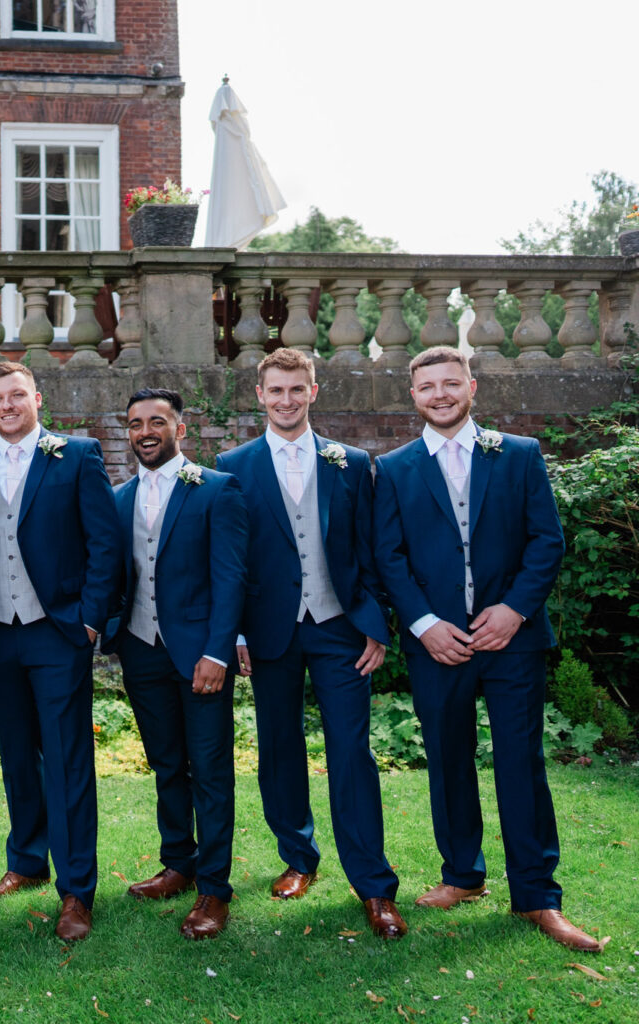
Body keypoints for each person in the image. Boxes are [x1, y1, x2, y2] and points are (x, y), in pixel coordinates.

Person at [373, 345, 599, 951]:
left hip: (513, 642)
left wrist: (515, 610)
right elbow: (387, 557)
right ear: (412, 394)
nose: (440, 395)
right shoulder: (392, 468)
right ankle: (462, 876)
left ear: (472, 386)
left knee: (520, 764)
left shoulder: (518, 454)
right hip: (437, 644)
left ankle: (537, 897)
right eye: (428, 387)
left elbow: (545, 542)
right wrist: (422, 623)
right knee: (447, 759)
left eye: (451, 383)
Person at [215, 348, 405, 939]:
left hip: (339, 627)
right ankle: (299, 858)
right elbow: (230, 560)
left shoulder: (350, 463)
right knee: (278, 746)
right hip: (269, 630)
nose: (287, 400)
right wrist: (237, 630)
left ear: (314, 392)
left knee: (351, 752)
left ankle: (373, 885)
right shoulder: (232, 465)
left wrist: (375, 622)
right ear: (260, 395)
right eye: (277, 391)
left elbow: (372, 551)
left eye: (298, 390)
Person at [0, 362, 120, 942]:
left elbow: (104, 541)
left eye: (16, 396)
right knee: (15, 751)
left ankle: (76, 889)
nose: (7, 406)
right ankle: (27, 860)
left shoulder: (76, 456)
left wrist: (89, 620)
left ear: (37, 398)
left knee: (67, 757)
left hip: (58, 630)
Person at [102, 388, 247, 940]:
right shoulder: (116, 498)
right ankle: (179, 864)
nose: (145, 431)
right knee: (165, 763)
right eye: (136, 422)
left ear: (179, 430)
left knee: (209, 771)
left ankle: (213, 888)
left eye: (156, 421)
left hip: (200, 655)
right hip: (141, 649)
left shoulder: (217, 489)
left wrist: (218, 650)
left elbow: (232, 576)